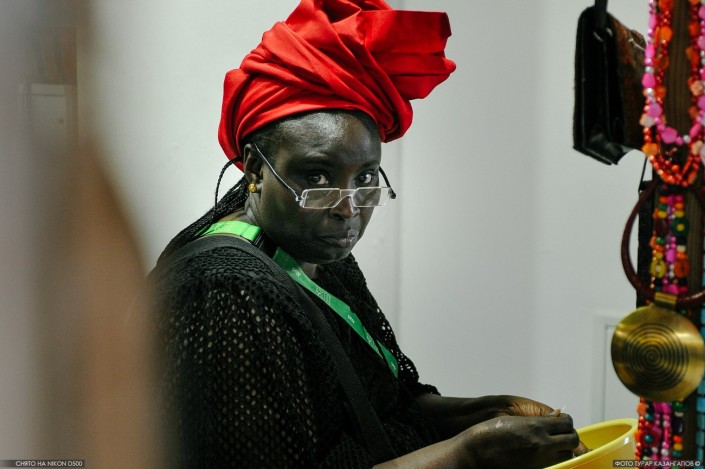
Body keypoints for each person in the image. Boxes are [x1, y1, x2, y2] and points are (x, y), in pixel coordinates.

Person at [150, 0, 586, 467]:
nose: (347, 209)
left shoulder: (312, 251)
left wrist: (489, 411)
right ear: (256, 168)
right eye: (317, 177)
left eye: (365, 178)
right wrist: (472, 451)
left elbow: (381, 405)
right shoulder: (226, 292)